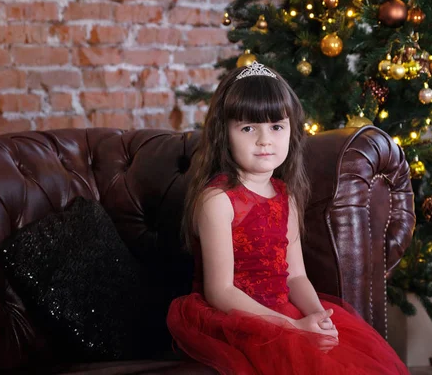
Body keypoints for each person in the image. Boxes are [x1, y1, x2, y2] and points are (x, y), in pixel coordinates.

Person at [166, 61, 408, 374]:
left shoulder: (286, 195)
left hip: (286, 311)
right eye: (248, 128)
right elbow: (220, 291)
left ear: (291, 131)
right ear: (224, 134)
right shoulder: (218, 200)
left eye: (276, 126)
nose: (264, 140)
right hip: (238, 319)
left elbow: (295, 276)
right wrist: (291, 326)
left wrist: (318, 316)